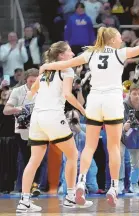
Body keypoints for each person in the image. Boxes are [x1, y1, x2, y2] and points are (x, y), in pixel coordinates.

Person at [38, 12, 139, 206]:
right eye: (119, 38)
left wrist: (47, 66)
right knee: (113, 147)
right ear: (112, 40)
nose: (121, 40)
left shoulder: (90, 53)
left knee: (89, 146)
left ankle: (81, 182)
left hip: (94, 100)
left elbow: (66, 63)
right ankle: (113, 186)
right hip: (112, 100)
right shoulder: (120, 53)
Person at [16, 41, 92, 213]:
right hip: (53, 116)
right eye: (70, 52)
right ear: (61, 56)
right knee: (73, 154)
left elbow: (31, 93)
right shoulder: (67, 70)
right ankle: (71, 197)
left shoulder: (44, 69)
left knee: (33, 160)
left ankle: (24, 201)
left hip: (37, 117)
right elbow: (66, 94)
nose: (72, 54)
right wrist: (82, 110)